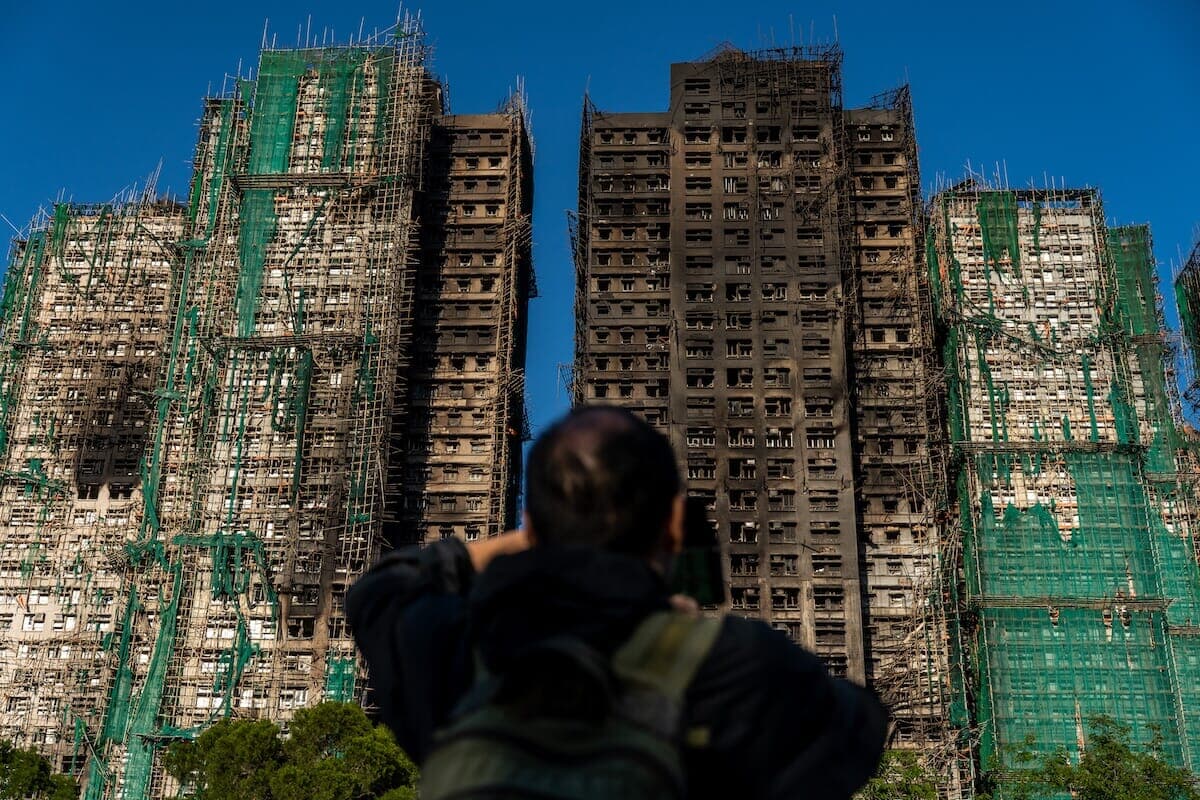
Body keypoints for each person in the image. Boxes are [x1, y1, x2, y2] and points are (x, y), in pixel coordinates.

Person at [346, 405, 887, 799]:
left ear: (530, 525)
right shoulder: (737, 665)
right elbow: (860, 728)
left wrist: (537, 536)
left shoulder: (454, 651)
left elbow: (382, 586)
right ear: (671, 527)